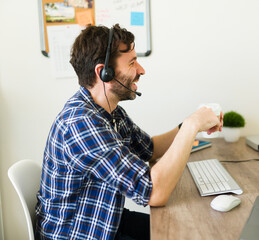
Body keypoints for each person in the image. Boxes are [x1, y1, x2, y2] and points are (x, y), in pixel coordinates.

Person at [35, 24, 223, 240]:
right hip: (80, 233)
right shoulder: (82, 124)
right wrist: (191, 126)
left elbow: (150, 148)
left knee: (185, 228)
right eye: (132, 63)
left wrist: (193, 124)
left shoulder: (109, 111)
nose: (141, 70)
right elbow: (154, 192)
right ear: (103, 73)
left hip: (105, 219)